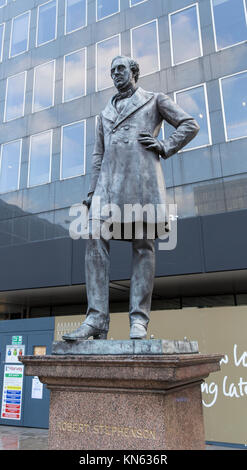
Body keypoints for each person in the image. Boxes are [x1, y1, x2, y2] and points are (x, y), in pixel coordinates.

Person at [63, 55, 199, 341]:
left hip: (141, 183)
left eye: (120, 69)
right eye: (112, 71)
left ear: (134, 72)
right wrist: (91, 192)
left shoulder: (154, 100)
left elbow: (189, 125)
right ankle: (96, 319)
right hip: (107, 188)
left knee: (142, 245)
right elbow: (97, 155)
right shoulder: (103, 113)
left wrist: (164, 146)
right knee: (94, 239)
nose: (115, 74)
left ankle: (138, 320)